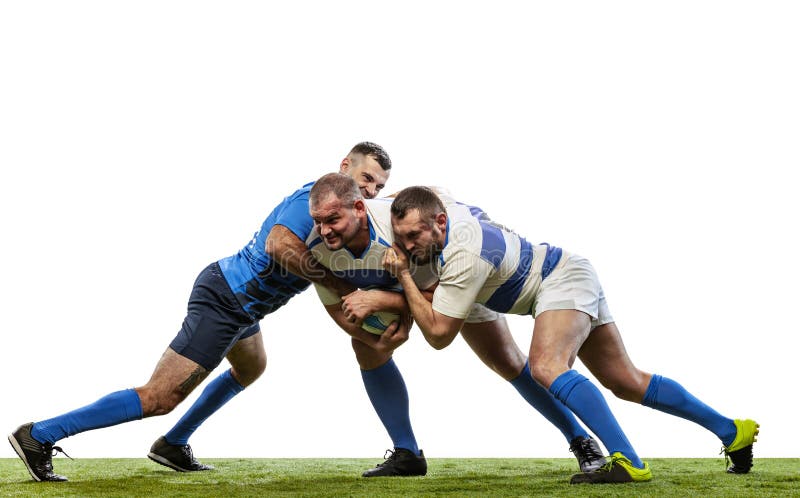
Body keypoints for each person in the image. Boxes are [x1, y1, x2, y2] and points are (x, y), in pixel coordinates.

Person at [7, 142, 398, 482]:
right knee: (158, 397)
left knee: (252, 367)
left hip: (244, 307)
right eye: (366, 177)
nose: (370, 188)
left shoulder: (351, 213)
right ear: (344, 165)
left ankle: (173, 444)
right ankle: (39, 434)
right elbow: (279, 245)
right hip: (225, 297)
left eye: (378, 185)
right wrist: (346, 287)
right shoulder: (313, 198)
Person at [382, 186, 759, 484]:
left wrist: (401, 274)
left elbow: (438, 335)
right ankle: (732, 431)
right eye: (402, 237)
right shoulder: (442, 207)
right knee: (626, 381)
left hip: (559, 280)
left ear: (441, 222)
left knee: (547, 366)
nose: (408, 245)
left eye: (414, 235)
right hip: (567, 272)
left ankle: (628, 461)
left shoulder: (467, 254)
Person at [305, 173, 608, 476]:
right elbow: (337, 307)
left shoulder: (399, 225)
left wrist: (384, 301)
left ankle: (580, 439)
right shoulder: (317, 248)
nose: (323, 230)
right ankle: (407, 453)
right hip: (414, 288)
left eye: (332, 219)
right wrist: (378, 341)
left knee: (508, 361)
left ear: (359, 208)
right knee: (365, 348)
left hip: (455, 281)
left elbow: (449, 285)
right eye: (317, 221)